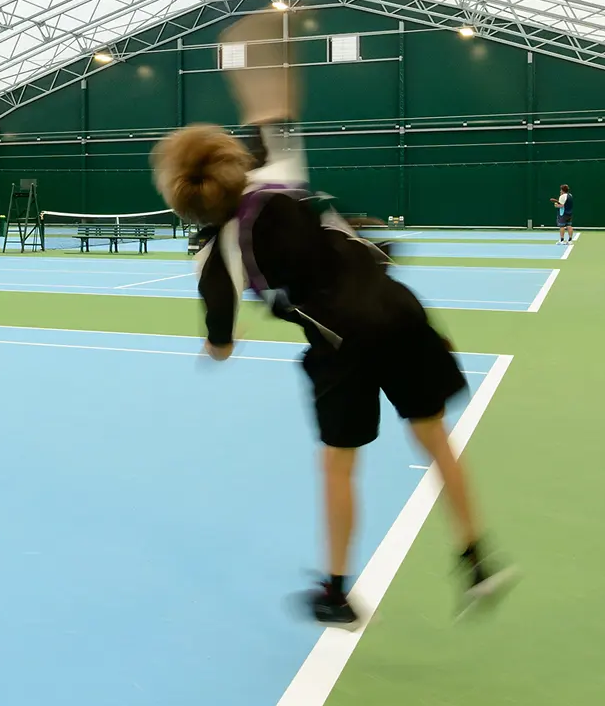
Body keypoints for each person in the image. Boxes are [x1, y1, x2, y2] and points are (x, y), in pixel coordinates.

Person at [152, 121, 515, 626]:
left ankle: (336, 594)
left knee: (340, 467)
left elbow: (220, 340)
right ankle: (477, 561)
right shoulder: (276, 179)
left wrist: (216, 347)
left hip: (343, 345)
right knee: (435, 440)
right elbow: (274, 137)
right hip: (401, 313)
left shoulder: (217, 251)